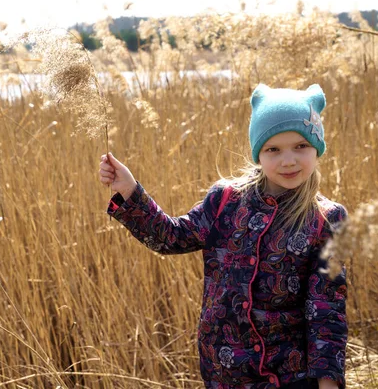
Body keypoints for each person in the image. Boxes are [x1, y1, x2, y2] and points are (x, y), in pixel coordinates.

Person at [97, 83, 348, 389]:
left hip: (288, 375)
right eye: (273, 149)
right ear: (258, 153)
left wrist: (328, 383)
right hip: (223, 371)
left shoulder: (326, 219)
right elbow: (171, 237)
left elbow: (326, 308)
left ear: (317, 147)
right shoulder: (226, 201)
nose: (288, 160)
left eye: (300, 146)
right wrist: (130, 191)